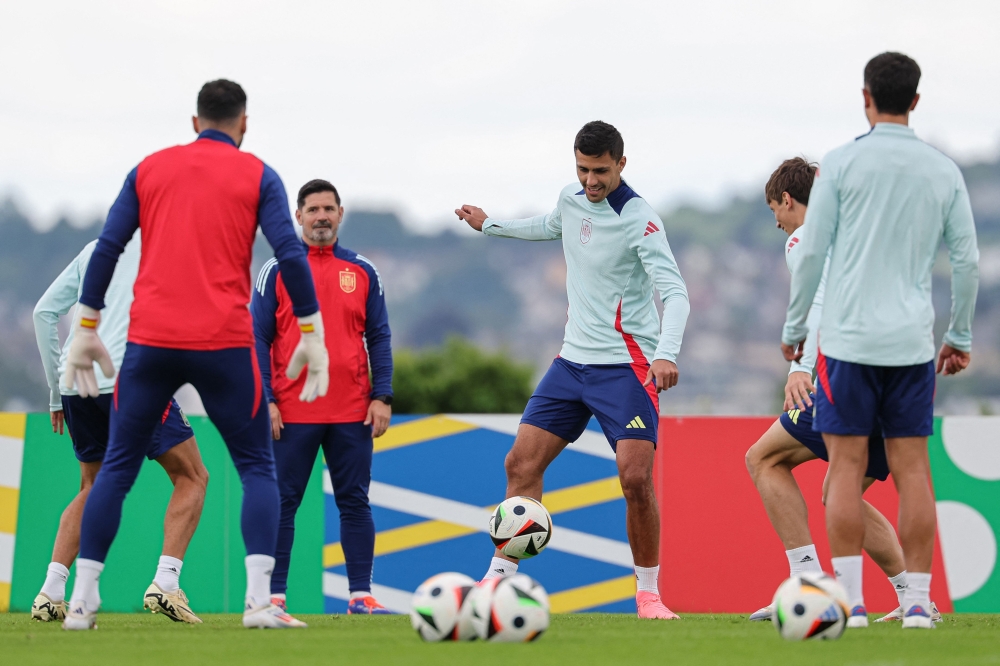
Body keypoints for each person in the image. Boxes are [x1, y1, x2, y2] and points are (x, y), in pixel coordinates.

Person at [60, 79, 330, 630]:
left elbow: (108, 247)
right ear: (244, 123)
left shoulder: (150, 168)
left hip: (151, 342)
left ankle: (81, 603)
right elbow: (289, 253)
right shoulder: (258, 173)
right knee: (256, 468)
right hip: (224, 344)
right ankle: (258, 606)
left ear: (194, 122)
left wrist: (86, 324)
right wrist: (311, 331)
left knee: (115, 470)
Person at [455, 121, 690, 619]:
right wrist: (490, 225)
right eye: (583, 170)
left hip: (627, 367)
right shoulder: (572, 198)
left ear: (621, 164)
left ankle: (648, 594)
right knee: (520, 464)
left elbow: (676, 292)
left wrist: (667, 353)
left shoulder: (640, 219)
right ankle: (498, 581)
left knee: (634, 479)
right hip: (571, 362)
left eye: (600, 171)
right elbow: (547, 224)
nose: (590, 181)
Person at [781, 53, 979, 630]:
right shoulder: (943, 171)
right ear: (915, 101)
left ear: (865, 96)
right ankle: (917, 602)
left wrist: (796, 333)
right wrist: (959, 334)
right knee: (913, 470)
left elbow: (812, 252)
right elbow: (966, 260)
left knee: (842, 470)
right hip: (912, 344)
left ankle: (849, 603)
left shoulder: (840, 166)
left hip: (847, 342)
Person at [745, 157, 939, 625]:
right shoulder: (859, 233)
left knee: (763, 459)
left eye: (777, 208)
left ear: (789, 200)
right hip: (904, 367)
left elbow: (818, 302)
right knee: (840, 492)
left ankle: (809, 587)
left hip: (847, 372)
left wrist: (801, 366)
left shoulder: (802, 238)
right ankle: (914, 598)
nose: (776, 221)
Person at [31, 235, 209, 624]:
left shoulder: (96, 247)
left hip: (75, 383)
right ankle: (165, 582)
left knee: (92, 487)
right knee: (192, 476)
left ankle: (51, 591)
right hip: (131, 379)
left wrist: (56, 390)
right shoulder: (175, 246)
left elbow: (43, 312)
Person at [251, 179, 394, 615]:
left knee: (355, 501)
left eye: (328, 209)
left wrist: (382, 395)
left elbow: (380, 336)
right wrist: (267, 399)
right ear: (298, 216)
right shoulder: (276, 270)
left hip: (352, 410)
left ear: (340, 213)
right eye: (312, 209)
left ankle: (359, 596)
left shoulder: (363, 271)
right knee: (283, 503)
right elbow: (257, 339)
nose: (321, 217)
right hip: (291, 412)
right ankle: (274, 597)